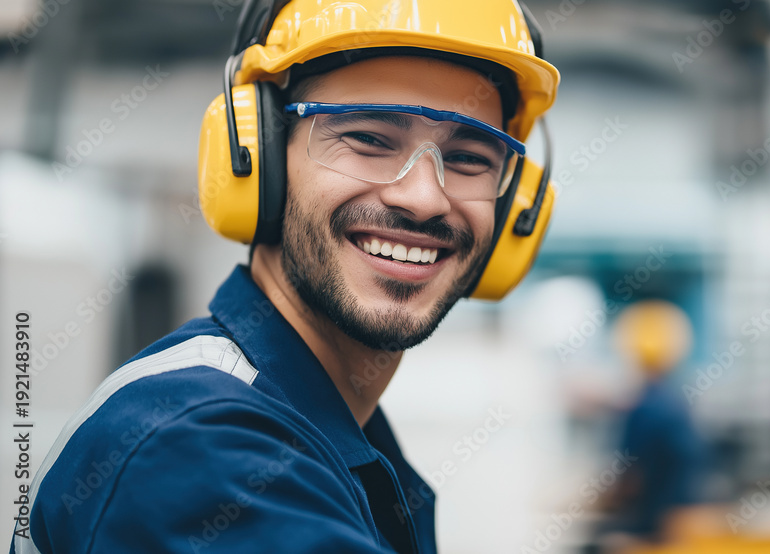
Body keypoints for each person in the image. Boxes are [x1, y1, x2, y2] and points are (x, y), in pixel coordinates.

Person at [10, 1, 558, 552]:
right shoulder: (197, 443)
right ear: (260, 156)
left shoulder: (333, 437)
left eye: (469, 158)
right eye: (368, 138)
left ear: (514, 205)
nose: (423, 199)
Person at [588, 300, 709, 552]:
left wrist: (590, 503)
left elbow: (630, 481)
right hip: (680, 526)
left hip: (653, 528)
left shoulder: (643, 408)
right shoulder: (679, 403)